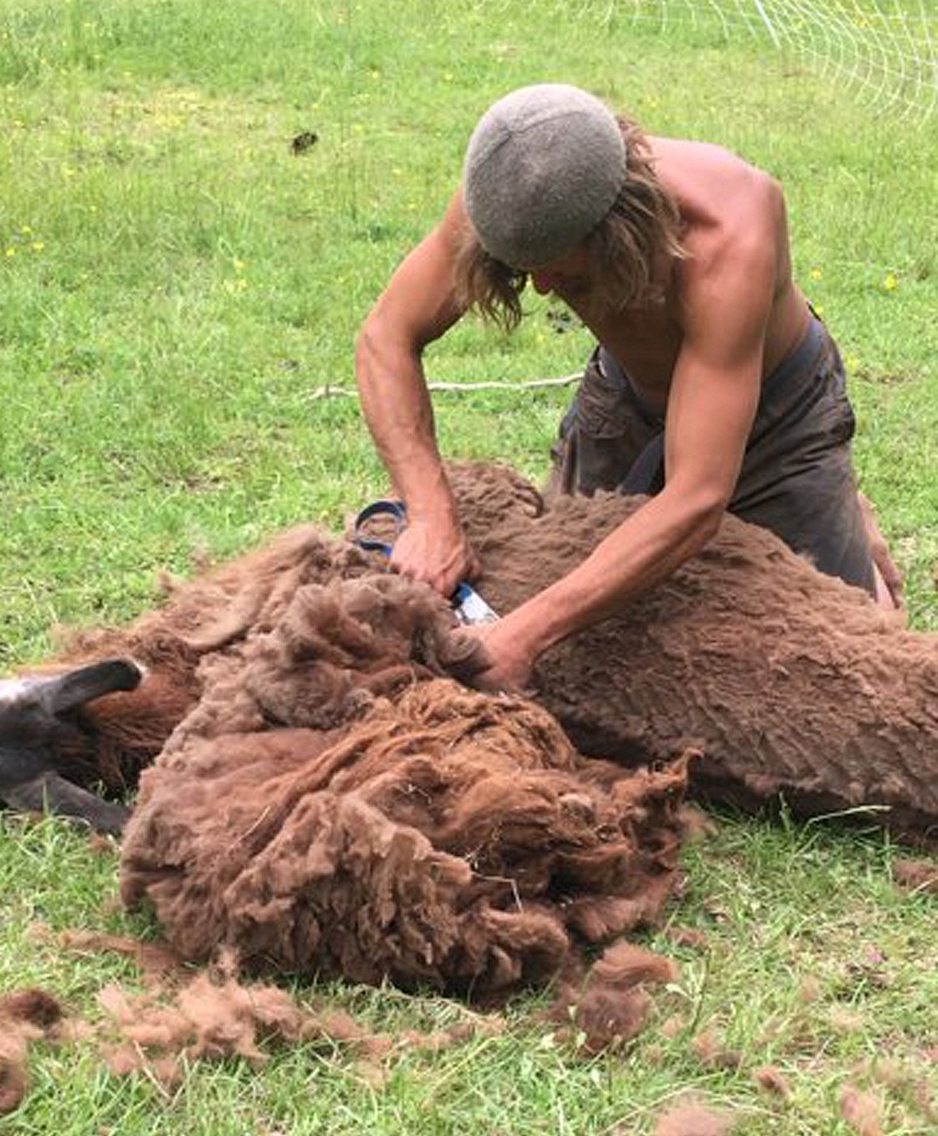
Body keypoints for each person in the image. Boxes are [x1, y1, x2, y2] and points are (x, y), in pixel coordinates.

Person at [355, 83, 902, 690]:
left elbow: (697, 496)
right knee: (580, 625)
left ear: (620, 229)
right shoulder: (509, 190)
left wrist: (521, 636)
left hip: (778, 415)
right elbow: (386, 338)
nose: (538, 288)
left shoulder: (729, 233)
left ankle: (839, 505)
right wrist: (430, 516)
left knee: (846, 671)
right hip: (627, 392)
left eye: (563, 272)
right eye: (520, 268)